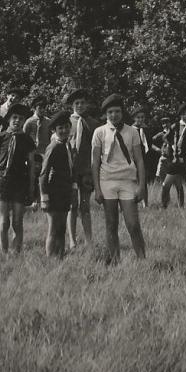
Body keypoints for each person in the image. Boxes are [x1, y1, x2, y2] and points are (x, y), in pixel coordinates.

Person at [91, 94, 147, 262]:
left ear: (122, 112)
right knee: (111, 224)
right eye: (110, 112)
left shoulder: (132, 132)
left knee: (133, 224)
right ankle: (115, 260)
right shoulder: (99, 132)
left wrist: (142, 186)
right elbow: (94, 163)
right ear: (105, 114)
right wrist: (97, 189)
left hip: (127, 181)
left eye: (117, 111)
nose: (114, 115)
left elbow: (139, 160)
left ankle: (142, 260)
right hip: (107, 181)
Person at [0, 104, 37, 254]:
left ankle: (16, 252)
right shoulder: (0, 137)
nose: (17, 121)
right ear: (9, 119)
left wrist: (31, 185)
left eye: (21, 119)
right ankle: (4, 252)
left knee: (17, 221)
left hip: (20, 182)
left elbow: (31, 165)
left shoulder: (27, 140)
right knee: (4, 221)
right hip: (2, 181)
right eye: (14, 118)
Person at [39, 111, 76, 258]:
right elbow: (43, 174)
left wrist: (73, 188)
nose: (64, 130)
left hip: (64, 192)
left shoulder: (67, 145)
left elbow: (71, 168)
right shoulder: (53, 146)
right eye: (60, 128)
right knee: (53, 228)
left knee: (61, 228)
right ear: (54, 130)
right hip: (53, 193)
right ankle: (50, 259)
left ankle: (60, 257)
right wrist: (44, 197)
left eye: (67, 127)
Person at [65, 89, 98, 248]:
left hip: (86, 170)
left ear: (87, 104)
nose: (80, 105)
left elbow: (96, 149)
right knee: (72, 205)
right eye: (76, 103)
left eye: (82, 103)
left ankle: (89, 240)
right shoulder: (66, 122)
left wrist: (92, 171)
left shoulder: (93, 123)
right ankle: (72, 240)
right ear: (72, 105)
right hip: (70, 170)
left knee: (85, 206)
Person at [160, 103, 186, 209]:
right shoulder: (175, 126)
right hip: (175, 160)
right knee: (166, 185)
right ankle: (164, 206)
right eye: (183, 114)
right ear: (180, 115)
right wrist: (172, 147)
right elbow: (165, 137)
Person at [130, 106, 158, 207]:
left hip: (145, 159)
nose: (140, 119)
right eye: (138, 117)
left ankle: (145, 204)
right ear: (134, 118)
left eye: (142, 117)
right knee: (133, 181)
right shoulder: (130, 130)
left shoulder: (146, 130)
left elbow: (149, 144)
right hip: (133, 159)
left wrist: (157, 149)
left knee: (143, 181)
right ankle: (132, 202)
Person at [23, 95, 52, 179]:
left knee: (43, 174)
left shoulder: (48, 122)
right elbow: (25, 138)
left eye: (44, 108)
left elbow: (50, 137)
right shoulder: (29, 121)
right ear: (35, 108)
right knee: (31, 174)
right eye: (40, 108)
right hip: (32, 152)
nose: (42, 110)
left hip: (44, 152)